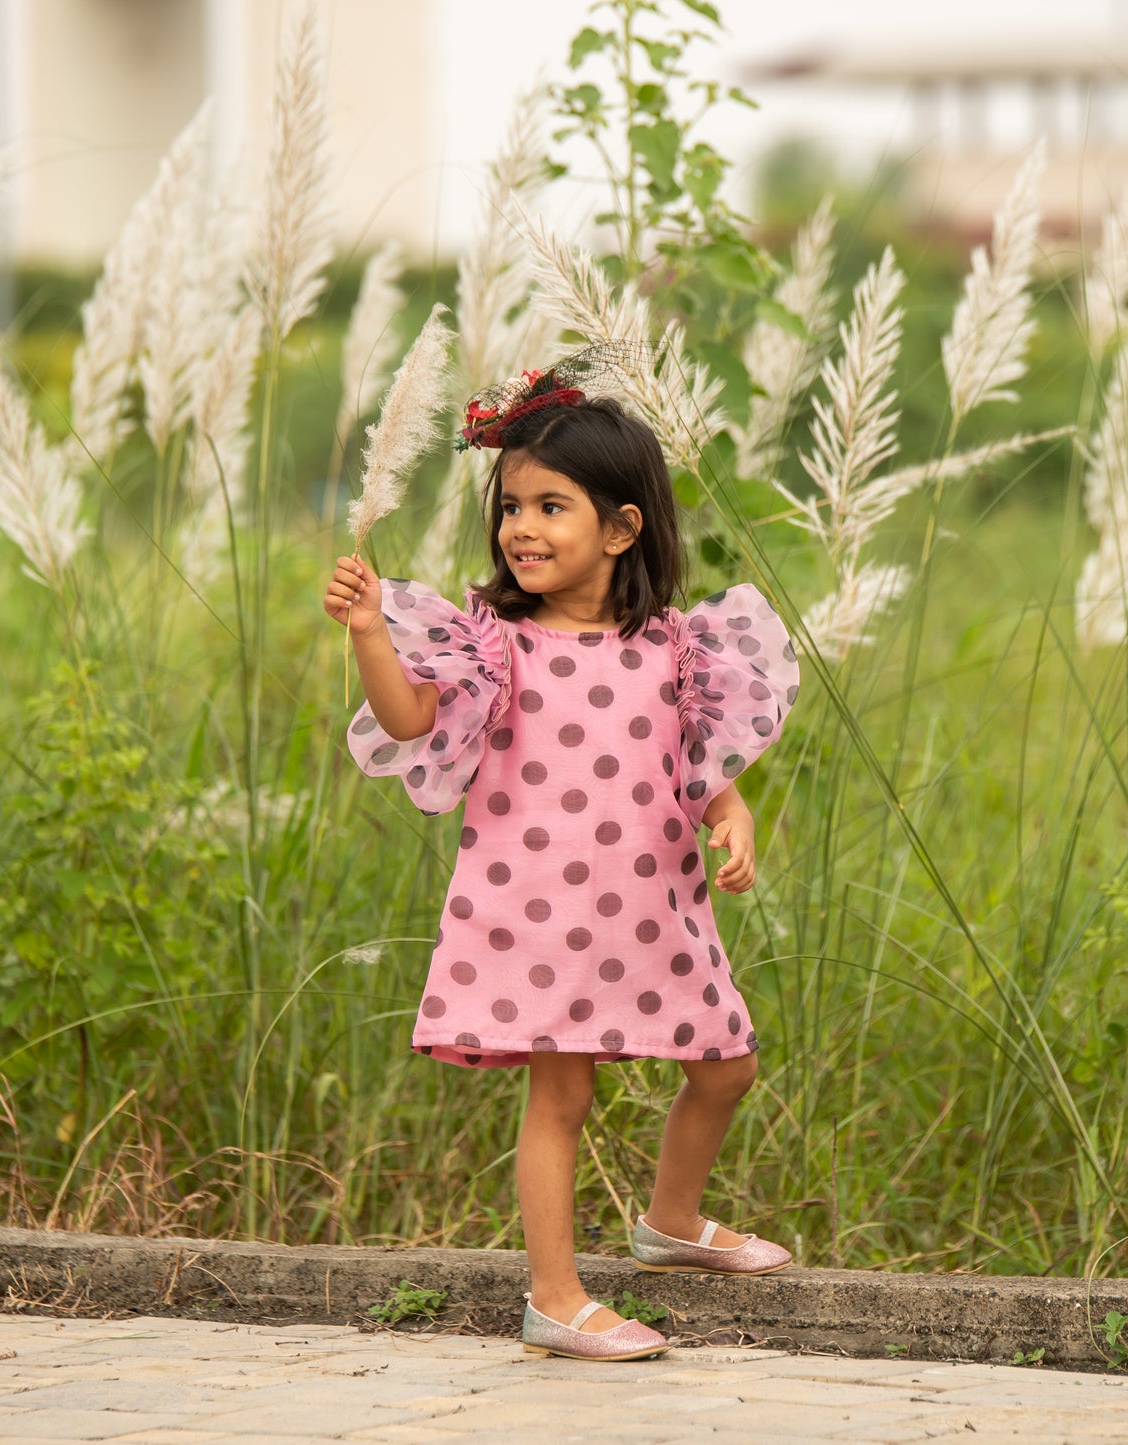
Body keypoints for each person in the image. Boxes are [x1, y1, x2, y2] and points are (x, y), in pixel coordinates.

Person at [323, 353, 799, 1362]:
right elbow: (408, 717)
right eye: (509, 507)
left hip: (654, 908)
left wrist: (730, 809)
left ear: (622, 526)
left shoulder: (671, 645)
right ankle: (554, 1293)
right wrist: (371, 632)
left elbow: (695, 752)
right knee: (563, 1095)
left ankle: (671, 1219)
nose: (521, 529)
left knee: (727, 1065)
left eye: (551, 506)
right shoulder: (496, 642)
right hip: (536, 912)